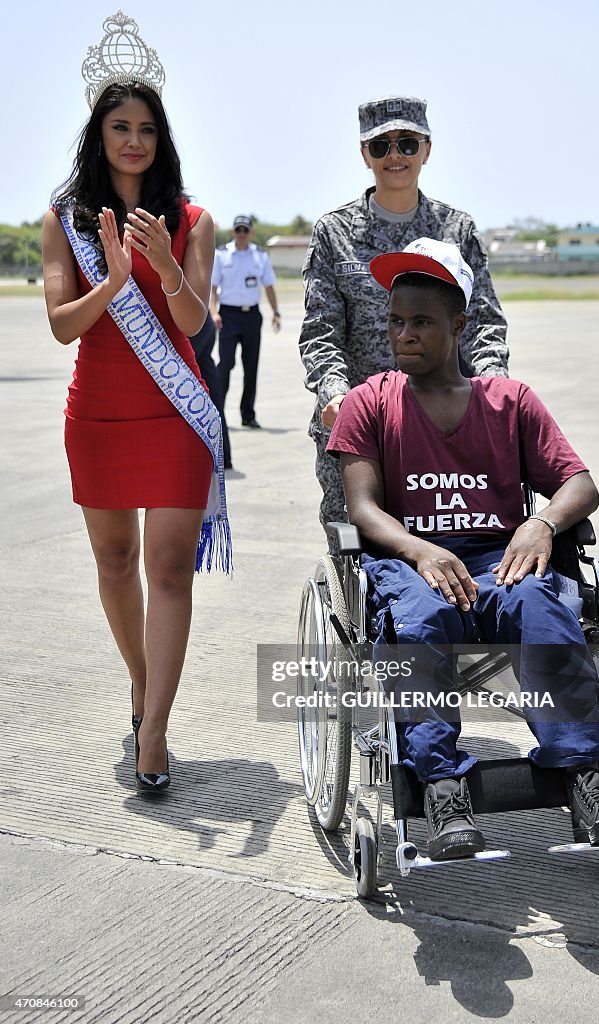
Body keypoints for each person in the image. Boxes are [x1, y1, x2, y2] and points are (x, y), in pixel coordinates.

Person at [327, 238, 599, 861]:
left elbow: (580, 484)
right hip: (409, 558)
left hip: (500, 557)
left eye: (421, 321)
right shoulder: (370, 403)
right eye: (395, 321)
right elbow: (362, 508)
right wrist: (420, 550)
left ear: (458, 324)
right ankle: (442, 787)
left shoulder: (510, 402)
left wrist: (543, 523)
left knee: (544, 609)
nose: (404, 334)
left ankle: (588, 780)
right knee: (422, 621)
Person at [42, 12, 231, 796]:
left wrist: (165, 267)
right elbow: (60, 326)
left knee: (168, 573)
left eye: (146, 128)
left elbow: (194, 324)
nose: (133, 141)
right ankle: (139, 681)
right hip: (99, 418)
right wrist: (114, 283)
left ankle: (152, 731)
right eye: (120, 127)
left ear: (162, 138)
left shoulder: (191, 219)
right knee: (115, 564)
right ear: (100, 133)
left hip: (174, 416)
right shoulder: (63, 220)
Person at [299, 95, 509, 534]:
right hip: (363, 425)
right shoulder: (335, 232)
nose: (395, 155)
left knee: (461, 542)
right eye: (381, 146)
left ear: (427, 149)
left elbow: (483, 321)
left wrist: (494, 386)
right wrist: (336, 396)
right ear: (364, 155)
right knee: (359, 548)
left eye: (407, 143)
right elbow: (321, 330)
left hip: (448, 420)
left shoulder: (456, 230)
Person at [210, 215, 281, 429]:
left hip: (251, 316)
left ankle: (248, 414)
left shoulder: (259, 256)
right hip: (228, 315)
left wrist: (276, 312)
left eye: (245, 230)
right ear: (233, 232)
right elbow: (212, 288)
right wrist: (214, 312)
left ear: (251, 232)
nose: (241, 234)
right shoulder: (221, 255)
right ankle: (217, 413)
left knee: (251, 367)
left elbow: (268, 286)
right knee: (226, 364)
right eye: (238, 230)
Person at [188, 312, 233, 468]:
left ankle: (220, 456)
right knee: (212, 397)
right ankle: (222, 456)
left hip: (194, 329)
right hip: (202, 325)